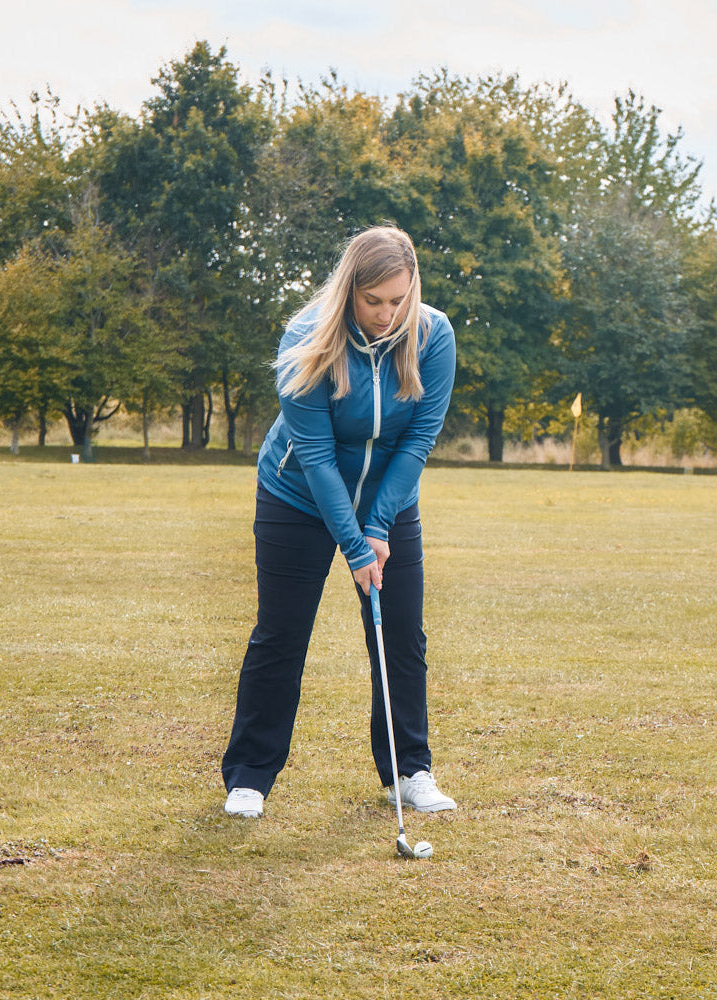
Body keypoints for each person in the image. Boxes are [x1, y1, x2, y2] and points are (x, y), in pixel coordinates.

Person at [222, 225, 457, 820]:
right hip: (296, 495)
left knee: (401, 635)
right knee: (281, 635)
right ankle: (250, 776)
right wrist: (354, 549)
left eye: (398, 300)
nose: (387, 314)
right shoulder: (306, 338)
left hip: (389, 498)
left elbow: (419, 441)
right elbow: (319, 458)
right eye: (373, 301)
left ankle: (409, 770)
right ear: (350, 290)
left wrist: (377, 527)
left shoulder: (432, 335)